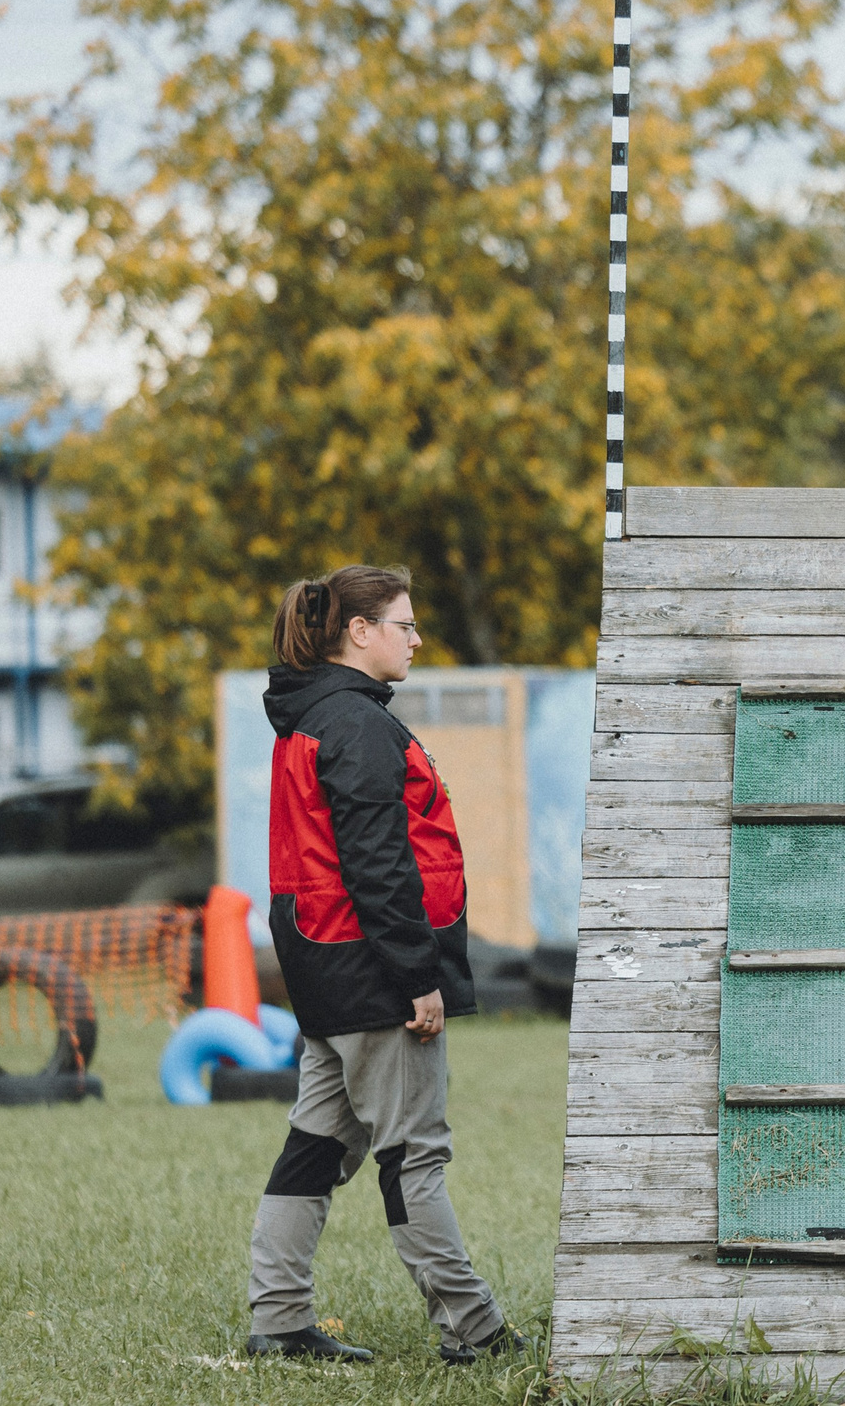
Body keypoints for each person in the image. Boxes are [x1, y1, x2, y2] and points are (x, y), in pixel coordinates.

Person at [242, 564, 526, 1366]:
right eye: (403, 624)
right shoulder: (356, 724)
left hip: (323, 965)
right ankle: (474, 1330)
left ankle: (278, 1320)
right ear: (358, 631)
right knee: (415, 1154)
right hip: (372, 974)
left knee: (314, 1145)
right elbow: (378, 862)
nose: (416, 637)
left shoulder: (314, 716)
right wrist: (417, 976)